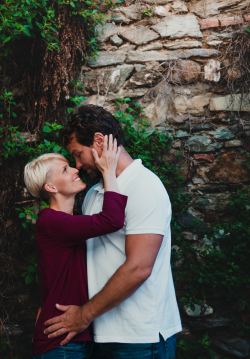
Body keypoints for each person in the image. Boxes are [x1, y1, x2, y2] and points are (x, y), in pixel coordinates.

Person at [43, 105, 181, 359]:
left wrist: (84, 314)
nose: (78, 164)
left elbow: (139, 267)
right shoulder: (95, 194)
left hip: (140, 337)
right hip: (101, 333)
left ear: (98, 142)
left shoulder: (144, 186)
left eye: (78, 154)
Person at [24, 135, 128, 359]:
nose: (75, 170)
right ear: (50, 187)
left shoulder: (71, 221)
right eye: (64, 170)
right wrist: (108, 172)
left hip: (72, 340)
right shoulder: (52, 222)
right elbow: (112, 220)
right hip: (60, 343)